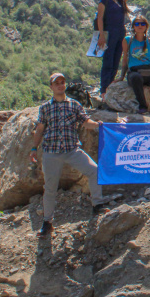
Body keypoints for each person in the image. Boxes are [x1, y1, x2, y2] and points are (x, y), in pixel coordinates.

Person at [31, 72, 106, 237]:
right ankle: (47, 222)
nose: (60, 85)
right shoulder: (45, 108)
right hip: (51, 152)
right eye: (56, 83)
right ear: (51, 87)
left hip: (72, 149)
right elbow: (40, 129)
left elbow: (85, 122)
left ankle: (97, 205)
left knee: (95, 171)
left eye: (62, 82)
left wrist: (98, 125)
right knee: (50, 188)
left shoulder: (74, 105)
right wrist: (34, 148)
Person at [96, 0, 150, 96]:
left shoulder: (122, 0)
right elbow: (100, 18)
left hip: (120, 33)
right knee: (107, 61)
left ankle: (110, 87)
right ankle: (104, 90)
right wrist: (101, 35)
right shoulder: (104, 1)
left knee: (116, 60)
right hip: (109, 33)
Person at [114, 15, 150, 115]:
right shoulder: (128, 40)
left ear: (146, 26)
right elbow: (125, 59)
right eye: (137, 24)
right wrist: (122, 76)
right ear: (133, 27)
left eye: (142, 23)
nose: (140, 26)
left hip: (149, 72)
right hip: (135, 71)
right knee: (136, 78)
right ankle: (143, 106)